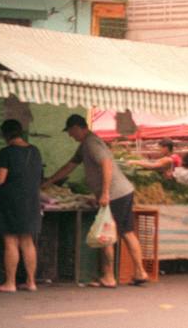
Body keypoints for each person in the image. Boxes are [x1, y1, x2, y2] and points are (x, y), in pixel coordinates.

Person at [44, 114, 149, 288]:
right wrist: (49, 182)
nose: (70, 136)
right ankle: (140, 272)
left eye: (70, 131)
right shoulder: (85, 145)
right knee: (127, 232)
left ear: (77, 127)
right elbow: (70, 166)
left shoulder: (91, 143)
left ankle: (109, 276)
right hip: (123, 192)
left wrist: (105, 193)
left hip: (115, 194)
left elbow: (106, 163)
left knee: (106, 234)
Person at [0, 119, 43, 293]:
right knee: (28, 242)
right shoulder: (35, 151)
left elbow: (0, 179)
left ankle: (10, 283)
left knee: (11, 241)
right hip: (31, 201)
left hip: (11, 202)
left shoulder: (7, 152)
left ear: (5, 134)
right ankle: (31, 282)